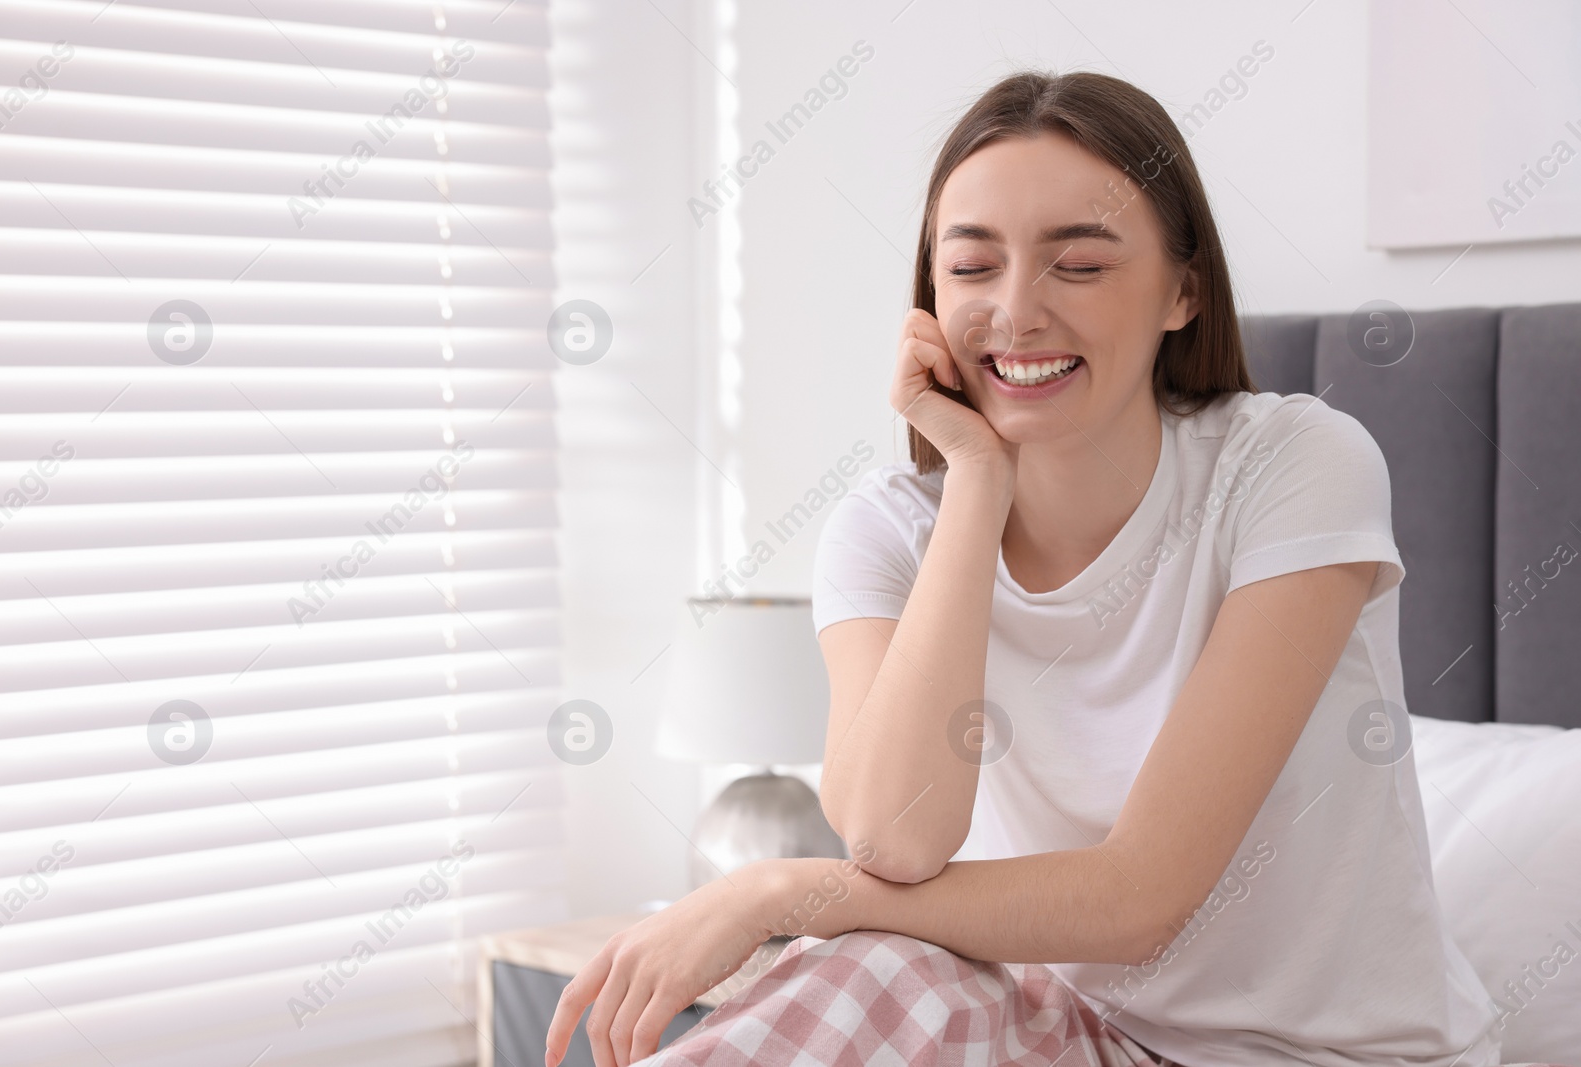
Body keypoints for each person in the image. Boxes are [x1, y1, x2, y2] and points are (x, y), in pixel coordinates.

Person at [545, 70, 1503, 1067]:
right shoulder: (886, 529)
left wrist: (773, 891)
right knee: (877, 967)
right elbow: (894, 840)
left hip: (1329, 1055)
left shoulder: (1297, 466)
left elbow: (1139, 901)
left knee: (868, 945)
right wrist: (973, 481)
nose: (1015, 310)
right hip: (1086, 1034)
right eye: (969, 268)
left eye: (1077, 266)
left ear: (1184, 291)